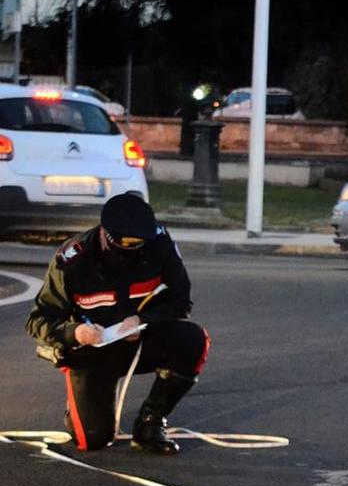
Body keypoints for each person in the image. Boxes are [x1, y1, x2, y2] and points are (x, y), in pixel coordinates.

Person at [25, 193, 210, 455]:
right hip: (91, 347)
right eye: (123, 249)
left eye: (138, 247)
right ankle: (80, 403)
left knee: (192, 340)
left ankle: (151, 421)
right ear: (104, 235)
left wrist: (142, 320)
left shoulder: (159, 244)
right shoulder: (73, 260)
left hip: (139, 338)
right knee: (94, 439)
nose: (130, 256)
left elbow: (181, 302)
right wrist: (75, 332)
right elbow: (38, 319)